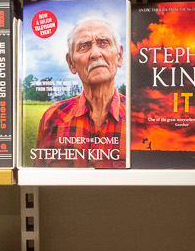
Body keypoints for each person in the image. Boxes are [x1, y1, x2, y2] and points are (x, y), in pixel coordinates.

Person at [36, 16, 127, 168]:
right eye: (84, 46)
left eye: (104, 43)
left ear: (119, 56)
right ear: (71, 63)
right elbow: (36, 179)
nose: (96, 54)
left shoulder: (138, 118)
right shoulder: (52, 117)